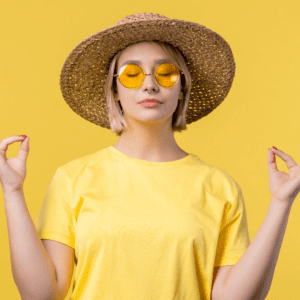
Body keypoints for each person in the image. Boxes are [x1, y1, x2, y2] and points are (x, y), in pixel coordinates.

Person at [1, 12, 299, 300]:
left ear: (182, 86)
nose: (149, 84)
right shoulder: (72, 178)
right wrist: (12, 192)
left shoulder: (219, 186)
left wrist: (281, 203)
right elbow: (42, 294)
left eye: (166, 72)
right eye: (131, 74)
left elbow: (233, 297)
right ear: (114, 88)